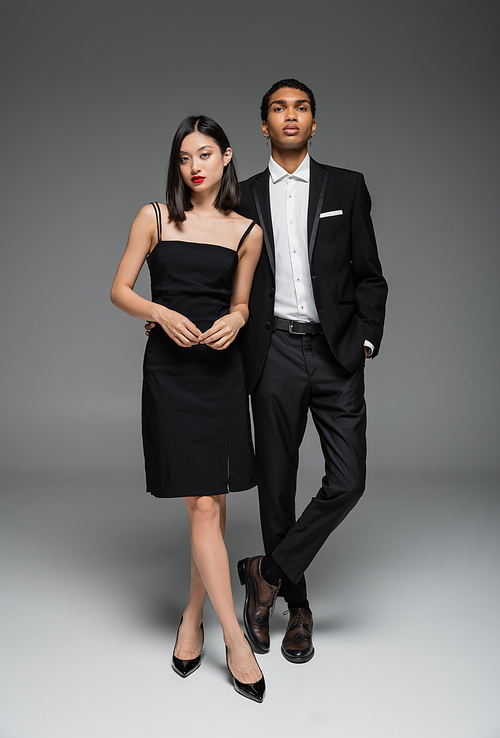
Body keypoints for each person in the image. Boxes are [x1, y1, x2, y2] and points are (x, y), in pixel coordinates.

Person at [111, 115, 265, 702]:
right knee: (202, 502)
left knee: (212, 504)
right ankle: (235, 638)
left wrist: (237, 318)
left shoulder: (247, 231)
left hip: (221, 372)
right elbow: (119, 289)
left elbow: (243, 303)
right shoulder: (154, 217)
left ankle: (192, 617)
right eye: (183, 157)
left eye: (205, 154)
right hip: (172, 373)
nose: (194, 166)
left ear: (227, 157)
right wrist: (160, 312)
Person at [234, 79, 388, 663]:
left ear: (314, 123)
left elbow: (370, 273)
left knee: (348, 481)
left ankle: (264, 572)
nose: (290, 116)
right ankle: (296, 606)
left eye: (301, 108)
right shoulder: (242, 196)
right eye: (279, 108)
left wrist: (366, 340)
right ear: (264, 125)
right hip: (271, 351)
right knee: (276, 485)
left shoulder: (346, 187)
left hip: (336, 353)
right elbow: (221, 273)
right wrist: (167, 314)